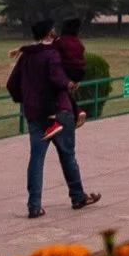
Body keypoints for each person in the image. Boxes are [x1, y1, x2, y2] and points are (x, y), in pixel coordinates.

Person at [6, 21, 94, 218]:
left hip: (34, 114)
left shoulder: (27, 57)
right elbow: (56, 78)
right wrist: (69, 84)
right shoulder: (53, 54)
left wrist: (26, 99)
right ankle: (78, 196)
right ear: (49, 33)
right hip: (58, 112)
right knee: (67, 156)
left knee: (36, 159)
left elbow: (12, 84)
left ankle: (34, 206)